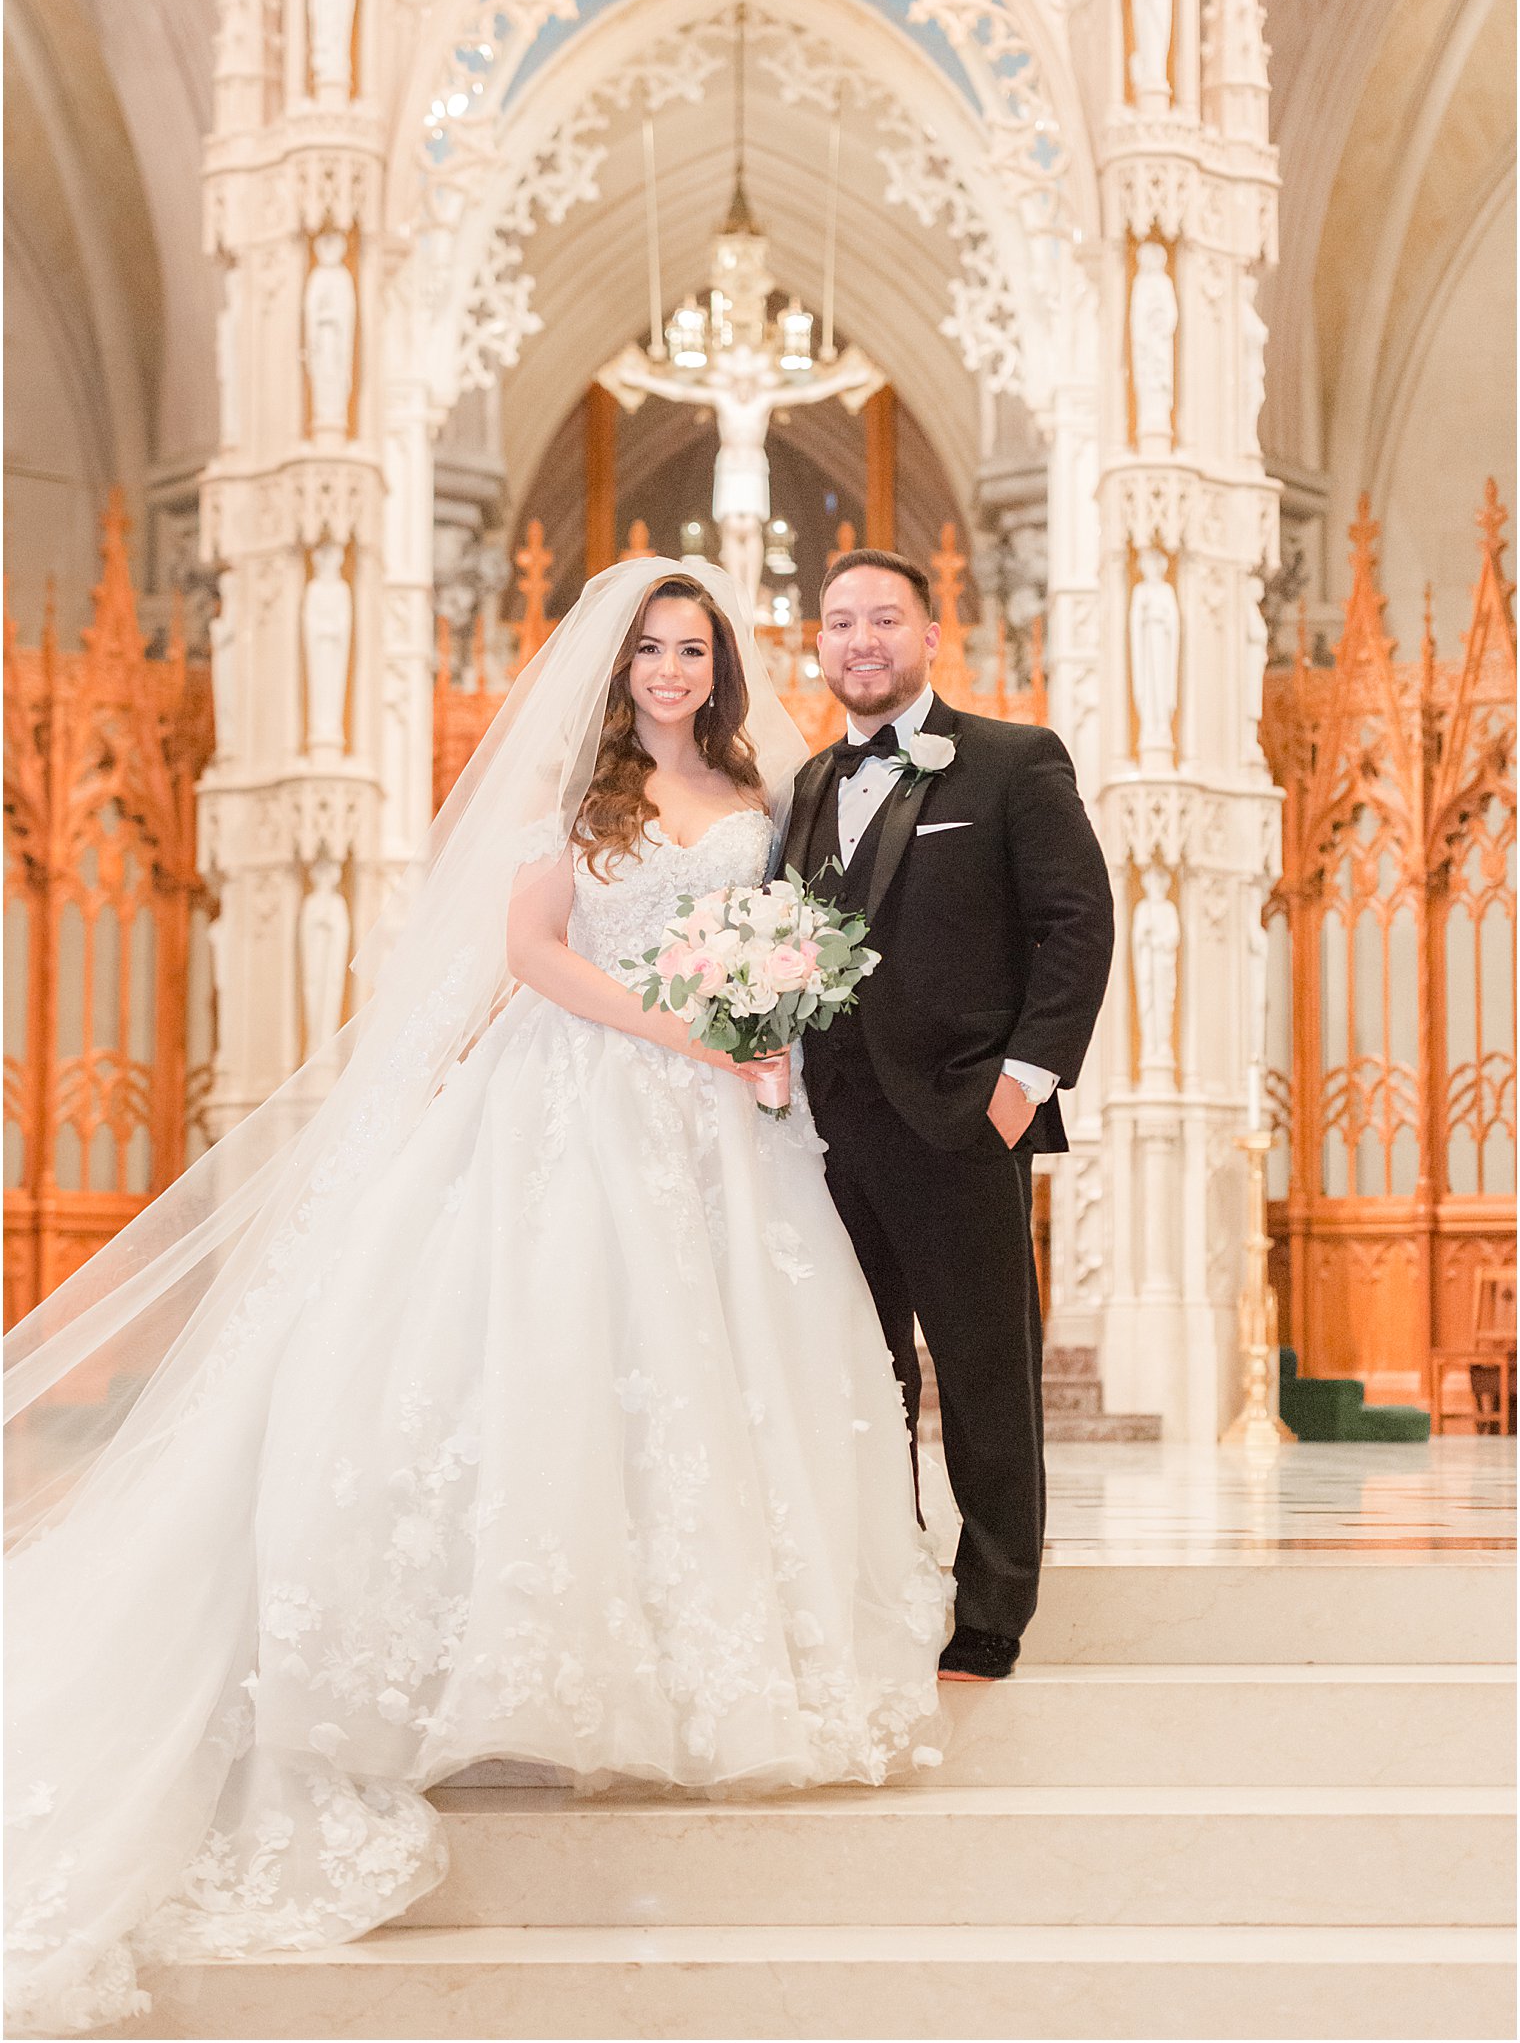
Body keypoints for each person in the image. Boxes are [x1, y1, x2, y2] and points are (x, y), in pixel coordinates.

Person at [4, 559, 945, 2040]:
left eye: (693, 650)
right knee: (550, 1359)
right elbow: (531, 957)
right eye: (648, 650)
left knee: (709, 1378)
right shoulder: (579, 801)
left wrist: (754, 1030)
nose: (670, 672)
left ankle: (703, 1656)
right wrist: (691, 1037)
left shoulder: (758, 796)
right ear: (613, 667)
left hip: (722, 1132)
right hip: (576, 1101)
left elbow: (765, 949)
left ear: (723, 666)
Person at [783, 549, 1114, 1683]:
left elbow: (1076, 926)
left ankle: (992, 1610)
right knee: (857, 1369)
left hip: (964, 1118)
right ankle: (884, 1578)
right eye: (839, 623)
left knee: (983, 1373)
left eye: (883, 619)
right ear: (816, 644)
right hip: (822, 1136)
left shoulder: (1013, 762)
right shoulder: (807, 786)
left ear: (930, 633)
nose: (860, 641)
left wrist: (1020, 1088)